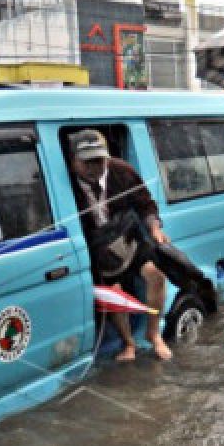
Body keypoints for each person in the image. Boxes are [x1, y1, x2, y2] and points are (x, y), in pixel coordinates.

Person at [67, 128, 173, 362]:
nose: (96, 167)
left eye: (100, 160)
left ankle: (154, 333)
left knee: (156, 276)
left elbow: (145, 204)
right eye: (88, 162)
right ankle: (128, 344)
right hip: (96, 245)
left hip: (128, 237)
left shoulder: (121, 171)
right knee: (114, 294)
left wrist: (155, 228)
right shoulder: (67, 183)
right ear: (74, 161)